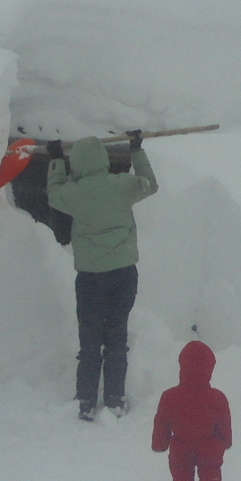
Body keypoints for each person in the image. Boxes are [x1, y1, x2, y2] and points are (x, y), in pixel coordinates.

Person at [46, 131, 158, 421]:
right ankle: (114, 400)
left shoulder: (74, 193)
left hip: (90, 279)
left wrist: (57, 160)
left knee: (90, 341)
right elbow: (151, 184)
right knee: (117, 337)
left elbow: (54, 193)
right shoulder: (123, 185)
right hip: (123, 275)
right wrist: (136, 150)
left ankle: (84, 401)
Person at [151, 340, 233, 481]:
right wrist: (225, 441)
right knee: (210, 469)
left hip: (181, 443)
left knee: (181, 468)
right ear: (209, 369)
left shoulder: (170, 397)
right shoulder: (217, 398)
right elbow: (224, 423)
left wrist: (160, 443)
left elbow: (162, 423)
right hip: (209, 444)